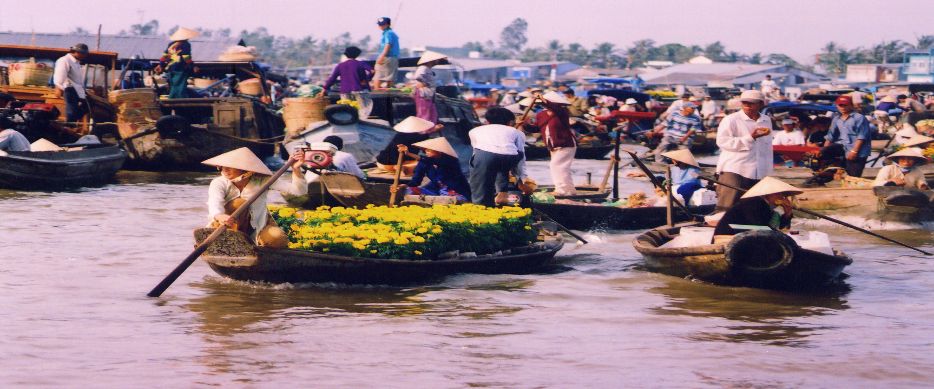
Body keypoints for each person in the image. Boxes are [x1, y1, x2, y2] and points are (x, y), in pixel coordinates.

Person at [203, 147, 307, 248]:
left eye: (230, 166)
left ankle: (254, 245)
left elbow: (298, 191)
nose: (225, 170)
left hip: (258, 224)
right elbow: (214, 202)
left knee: (277, 239)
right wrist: (219, 216)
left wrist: (296, 169)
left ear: (243, 168)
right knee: (238, 203)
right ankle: (227, 240)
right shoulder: (219, 183)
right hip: (226, 225)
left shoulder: (264, 180)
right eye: (222, 166)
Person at [715, 90, 773, 211]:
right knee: (726, 207)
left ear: (761, 104)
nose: (747, 105)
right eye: (745, 103)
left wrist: (768, 173)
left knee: (753, 210)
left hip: (759, 171)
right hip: (735, 169)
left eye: (751, 103)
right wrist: (750, 138)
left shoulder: (766, 120)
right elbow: (722, 142)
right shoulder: (731, 119)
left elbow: (766, 148)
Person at [469, 107, 530, 206]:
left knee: (481, 182)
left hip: (485, 156)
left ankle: (481, 204)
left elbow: (476, 150)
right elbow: (521, 156)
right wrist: (522, 179)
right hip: (510, 158)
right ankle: (502, 193)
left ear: (487, 121)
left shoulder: (474, 131)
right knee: (502, 165)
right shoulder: (517, 132)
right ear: (510, 122)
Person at [713, 177, 801, 236]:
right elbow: (760, 226)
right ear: (767, 194)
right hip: (727, 234)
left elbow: (780, 227)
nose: (781, 197)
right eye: (777, 194)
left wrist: (787, 213)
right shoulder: (753, 203)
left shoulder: (767, 206)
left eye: (782, 195)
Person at [393, 137, 471, 201]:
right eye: (425, 150)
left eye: (429, 150)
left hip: (456, 190)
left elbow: (433, 161)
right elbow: (416, 181)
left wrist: (409, 154)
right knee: (408, 191)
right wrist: (404, 186)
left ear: (439, 152)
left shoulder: (451, 161)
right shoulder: (424, 162)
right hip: (434, 190)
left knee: (457, 199)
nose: (426, 152)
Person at [532, 91, 577, 196]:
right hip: (552, 145)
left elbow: (555, 108)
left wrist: (543, 98)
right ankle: (569, 190)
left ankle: (561, 190)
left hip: (566, 143)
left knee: (556, 165)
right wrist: (523, 124)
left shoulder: (562, 111)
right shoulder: (541, 115)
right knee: (562, 167)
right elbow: (535, 128)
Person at [824, 95, 872, 177]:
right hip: (844, 148)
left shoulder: (859, 118)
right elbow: (830, 136)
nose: (843, 107)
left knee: (853, 175)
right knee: (823, 153)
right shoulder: (836, 119)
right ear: (837, 106)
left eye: (845, 105)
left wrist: (854, 151)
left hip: (859, 151)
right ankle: (835, 169)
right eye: (840, 105)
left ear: (851, 105)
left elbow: (861, 136)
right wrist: (823, 150)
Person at [322, 46, 374, 118]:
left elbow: (332, 78)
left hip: (345, 91)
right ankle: (362, 121)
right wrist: (367, 79)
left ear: (346, 55)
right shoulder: (361, 63)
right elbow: (372, 71)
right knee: (364, 109)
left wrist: (325, 88)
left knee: (347, 110)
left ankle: (350, 123)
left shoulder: (340, 65)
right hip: (360, 90)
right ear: (357, 54)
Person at [155, 27, 199, 99]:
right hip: (180, 69)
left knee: (173, 86)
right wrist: (193, 66)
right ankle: (177, 100)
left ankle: (173, 98)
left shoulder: (171, 44)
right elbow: (186, 57)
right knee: (180, 87)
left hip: (170, 69)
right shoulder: (186, 44)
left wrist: (161, 65)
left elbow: (165, 56)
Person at [53, 43, 90, 125]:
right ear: (77, 52)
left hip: (77, 90)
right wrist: (58, 87)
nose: (84, 56)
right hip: (69, 89)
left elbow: (78, 80)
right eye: (83, 54)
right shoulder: (64, 60)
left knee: (88, 105)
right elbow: (60, 75)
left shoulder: (76, 63)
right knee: (71, 111)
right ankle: (69, 127)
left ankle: (70, 124)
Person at [372, 17, 400, 89]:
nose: (380, 26)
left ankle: (377, 91)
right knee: (389, 76)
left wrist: (381, 57)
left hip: (387, 57)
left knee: (378, 75)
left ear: (387, 25)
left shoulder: (388, 33)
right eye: (380, 25)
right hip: (392, 57)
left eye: (382, 24)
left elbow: (388, 45)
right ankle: (387, 93)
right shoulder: (390, 33)